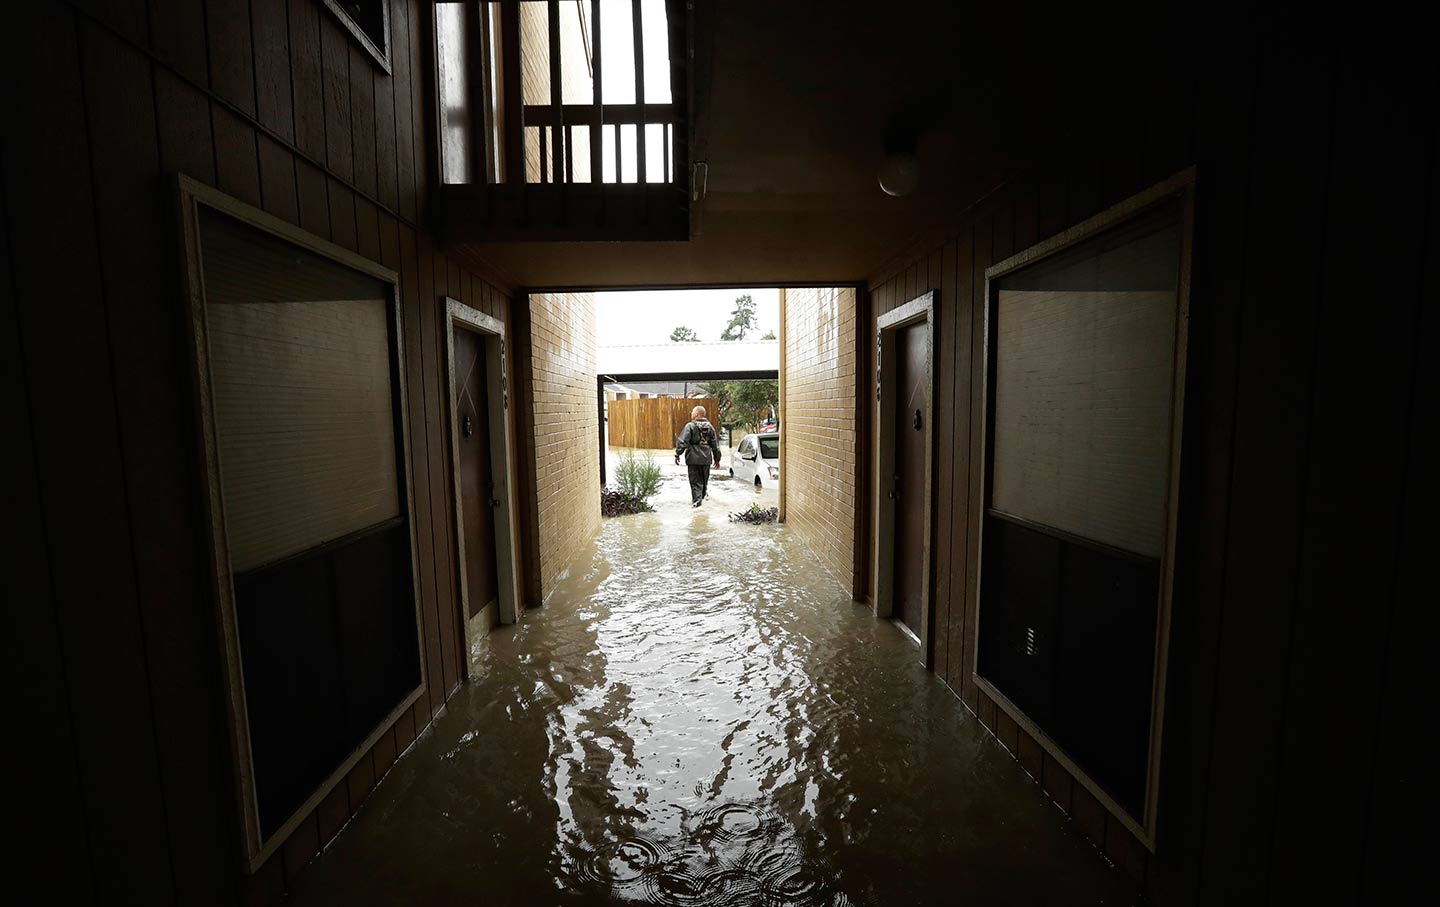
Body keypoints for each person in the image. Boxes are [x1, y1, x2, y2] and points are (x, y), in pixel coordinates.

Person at [675, 405, 722, 507]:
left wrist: (677, 454)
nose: (691, 413)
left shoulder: (690, 426)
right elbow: (715, 445)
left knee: (696, 484)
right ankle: (703, 508)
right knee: (704, 483)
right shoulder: (711, 427)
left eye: (692, 412)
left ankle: (697, 507)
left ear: (697, 414)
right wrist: (717, 459)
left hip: (693, 459)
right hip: (706, 460)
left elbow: (682, 442)